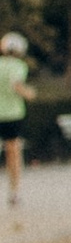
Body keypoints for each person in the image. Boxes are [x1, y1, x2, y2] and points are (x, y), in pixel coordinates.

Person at [0, 32, 26, 226]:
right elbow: (16, 85)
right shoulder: (19, 66)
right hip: (13, 115)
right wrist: (29, 93)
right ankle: (14, 192)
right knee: (13, 153)